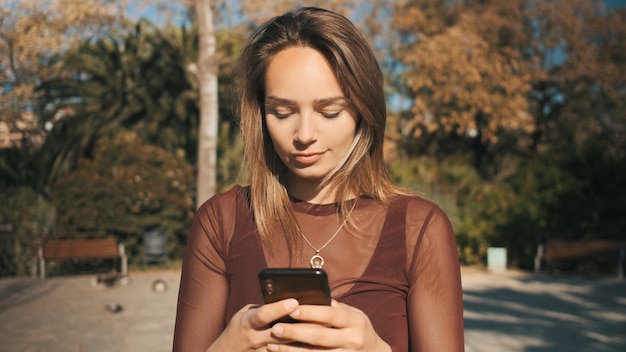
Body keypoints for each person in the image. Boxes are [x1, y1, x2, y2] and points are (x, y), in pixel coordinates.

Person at [173, 6, 464, 352]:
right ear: (259, 112)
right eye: (281, 112)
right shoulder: (221, 221)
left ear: (364, 110)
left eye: (330, 111)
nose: (304, 134)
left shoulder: (420, 229)